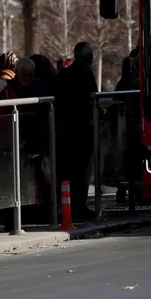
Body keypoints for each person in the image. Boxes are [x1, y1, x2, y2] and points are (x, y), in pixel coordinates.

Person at [54, 42, 98, 220]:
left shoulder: (64, 74)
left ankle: (66, 206)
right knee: (82, 170)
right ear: (90, 57)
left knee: (67, 170)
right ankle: (79, 206)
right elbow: (93, 97)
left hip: (64, 129)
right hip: (82, 128)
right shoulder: (87, 73)